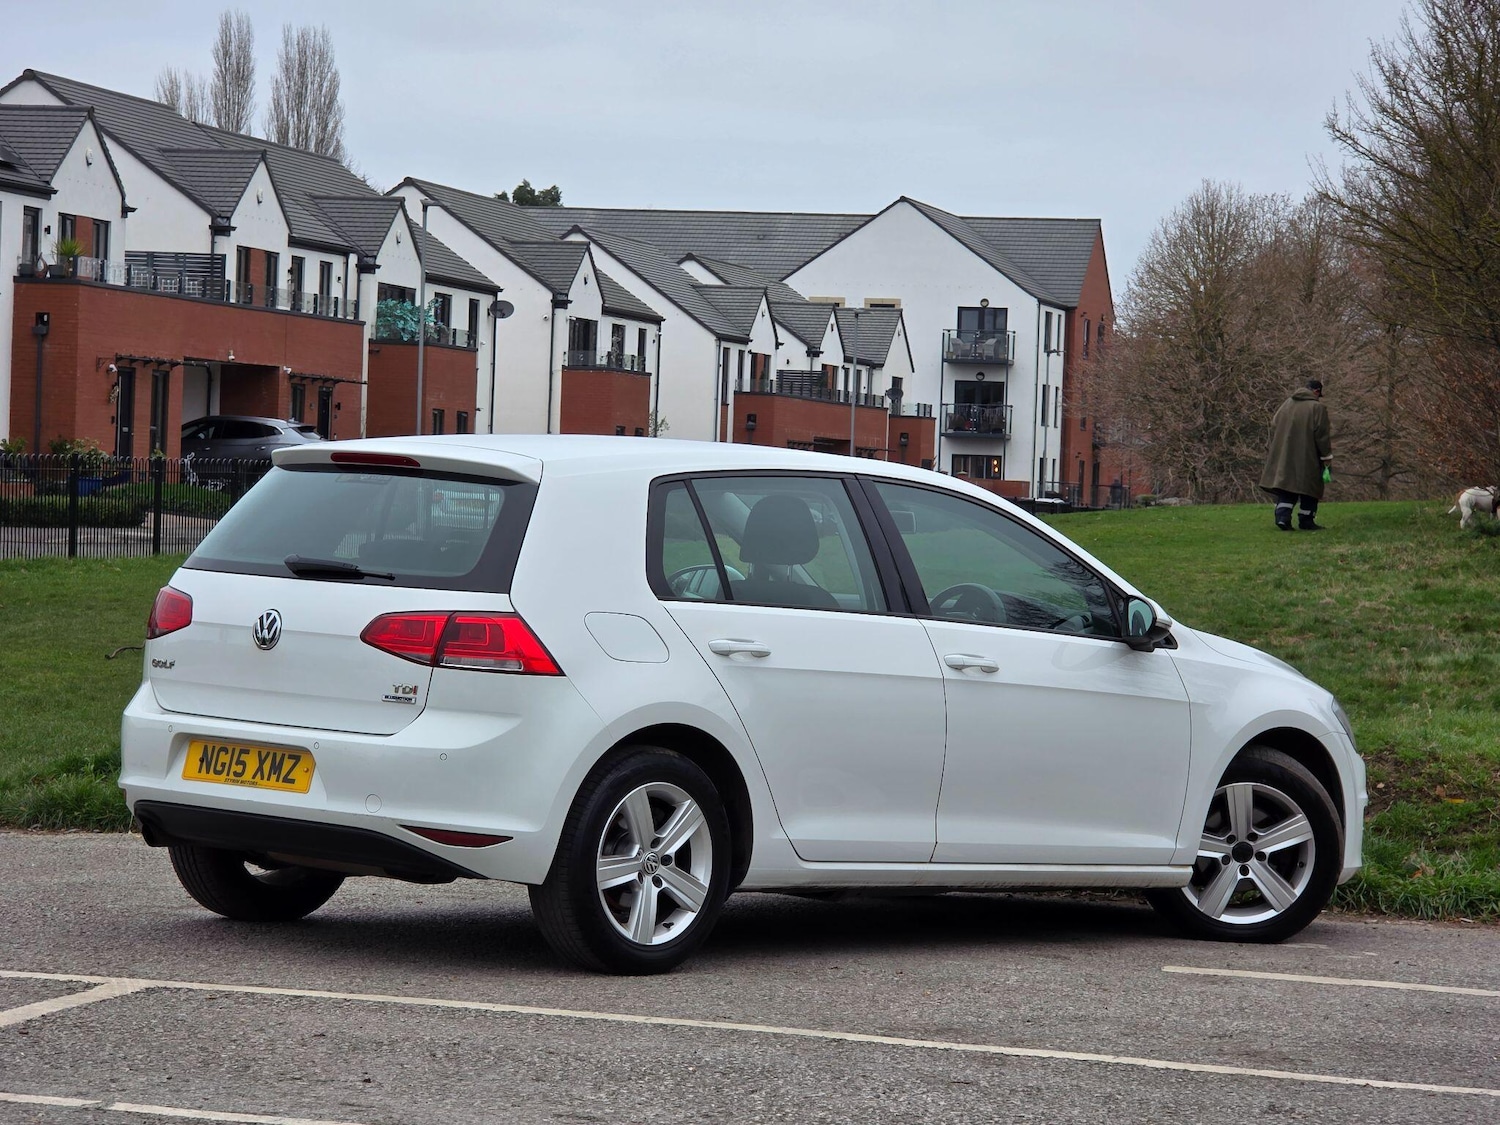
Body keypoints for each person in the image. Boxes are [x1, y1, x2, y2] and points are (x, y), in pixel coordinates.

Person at [1259, 379, 1332, 531]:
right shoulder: (1317, 408)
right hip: (1308, 454)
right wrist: (1327, 458)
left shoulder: (1287, 403)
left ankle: (1282, 517)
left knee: (1287, 485)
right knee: (1310, 486)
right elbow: (1322, 435)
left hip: (1285, 453)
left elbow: (1275, 422)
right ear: (1317, 391)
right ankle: (1306, 520)